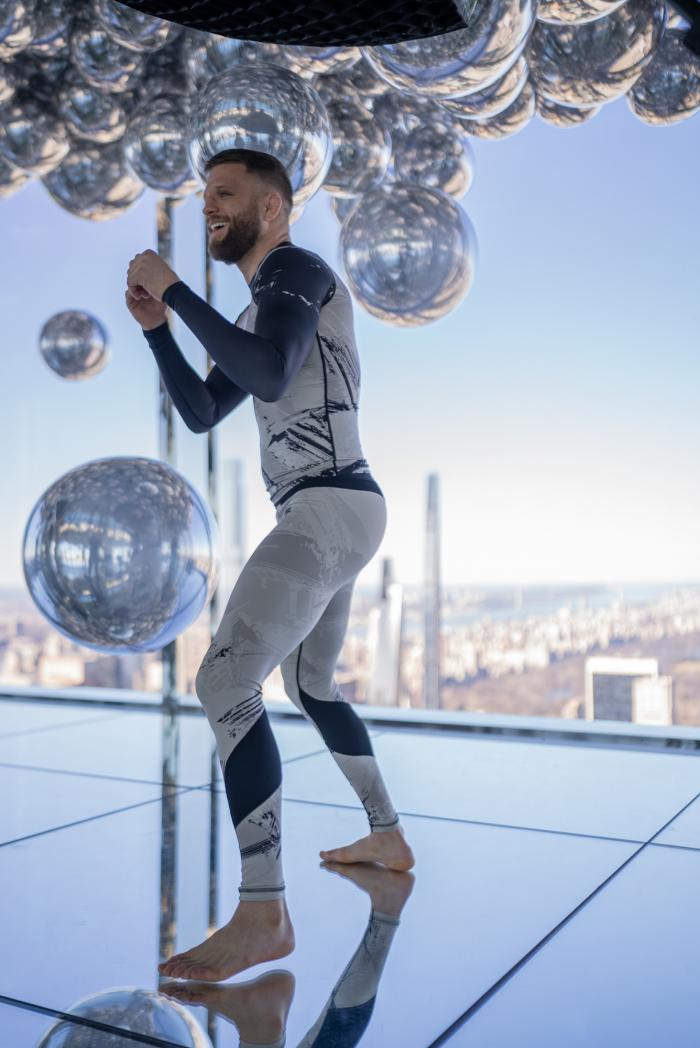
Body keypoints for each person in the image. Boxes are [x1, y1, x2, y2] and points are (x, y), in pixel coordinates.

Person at [125, 147, 414, 982]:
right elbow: (207, 405)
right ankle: (386, 834)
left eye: (226, 193)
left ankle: (264, 912)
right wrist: (156, 332)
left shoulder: (294, 269)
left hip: (327, 507)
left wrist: (175, 291)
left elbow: (271, 372)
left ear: (275, 209)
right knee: (311, 686)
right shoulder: (261, 309)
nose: (208, 205)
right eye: (205, 193)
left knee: (224, 682)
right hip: (341, 509)